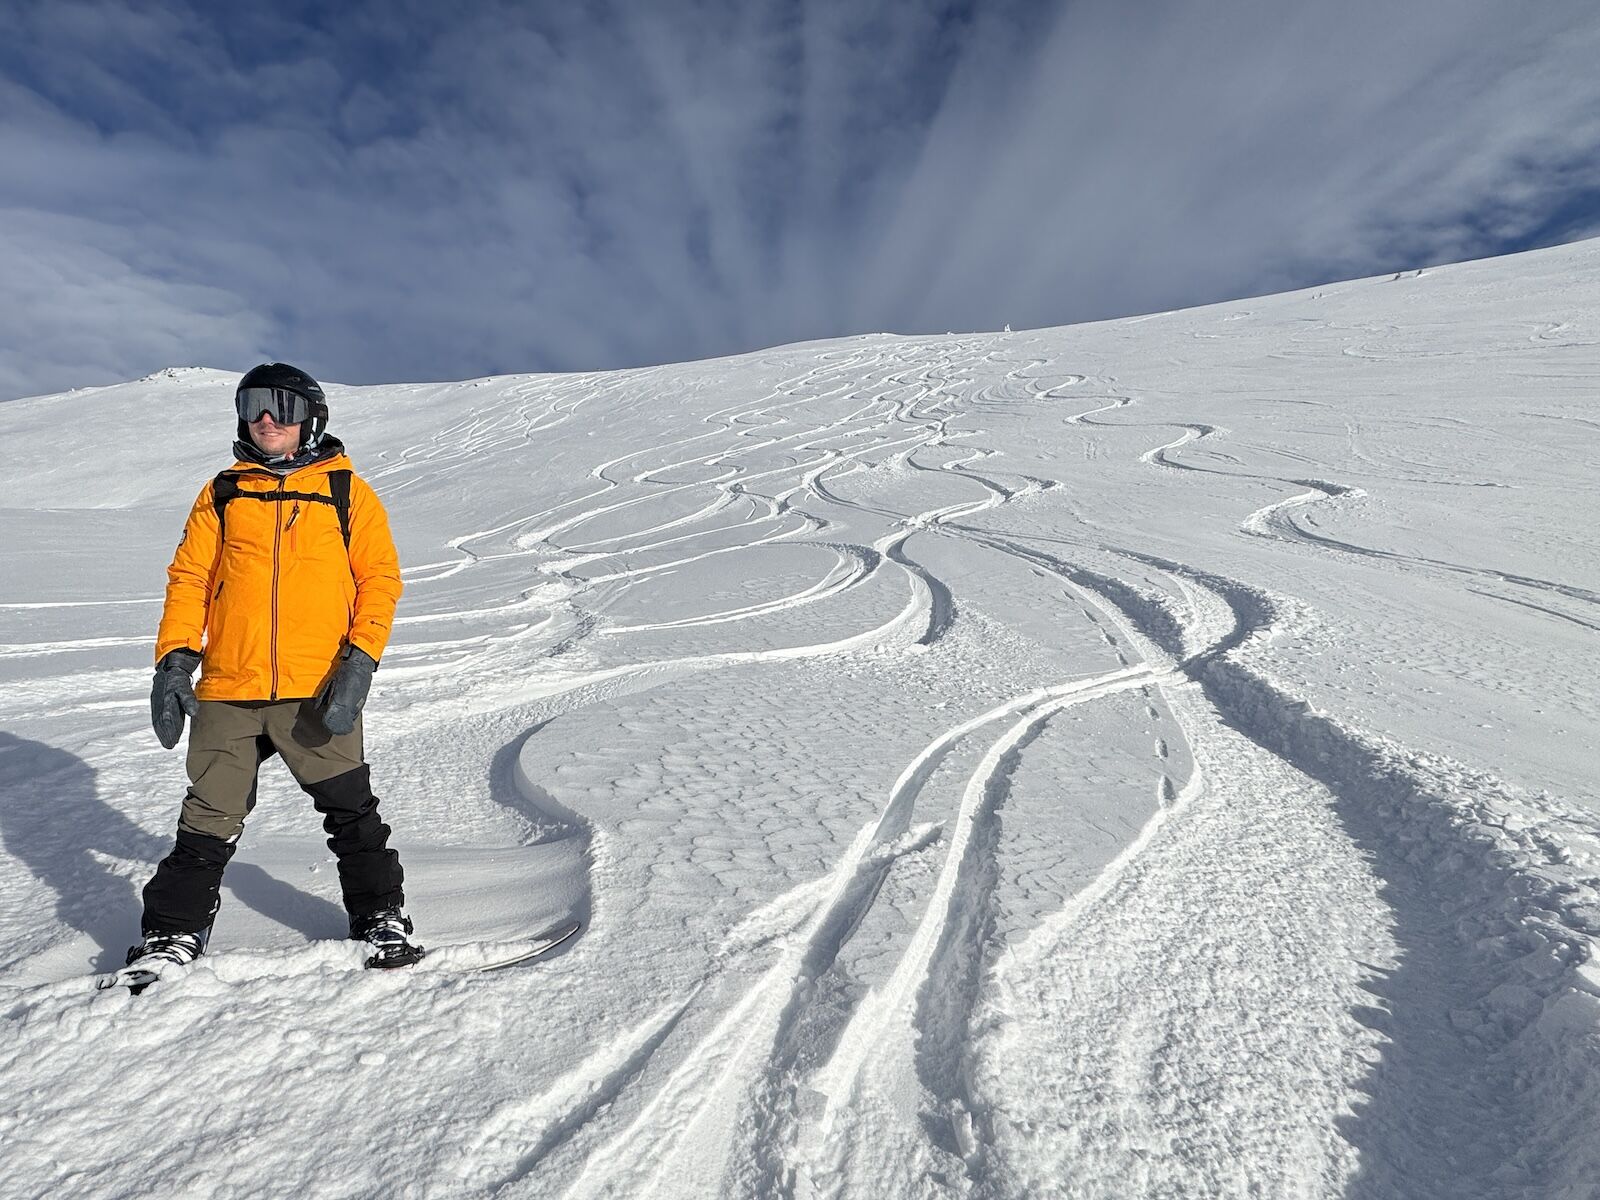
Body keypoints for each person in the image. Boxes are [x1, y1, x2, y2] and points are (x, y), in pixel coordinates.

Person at [129, 362, 422, 973]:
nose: (267, 418)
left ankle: (380, 919)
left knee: (349, 809)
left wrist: (360, 661)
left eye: (283, 406)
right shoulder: (223, 493)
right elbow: (190, 580)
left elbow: (379, 582)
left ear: (310, 417)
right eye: (255, 403)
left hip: (315, 688)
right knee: (208, 817)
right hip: (229, 688)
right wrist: (175, 661)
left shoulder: (347, 493)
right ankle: (171, 938)